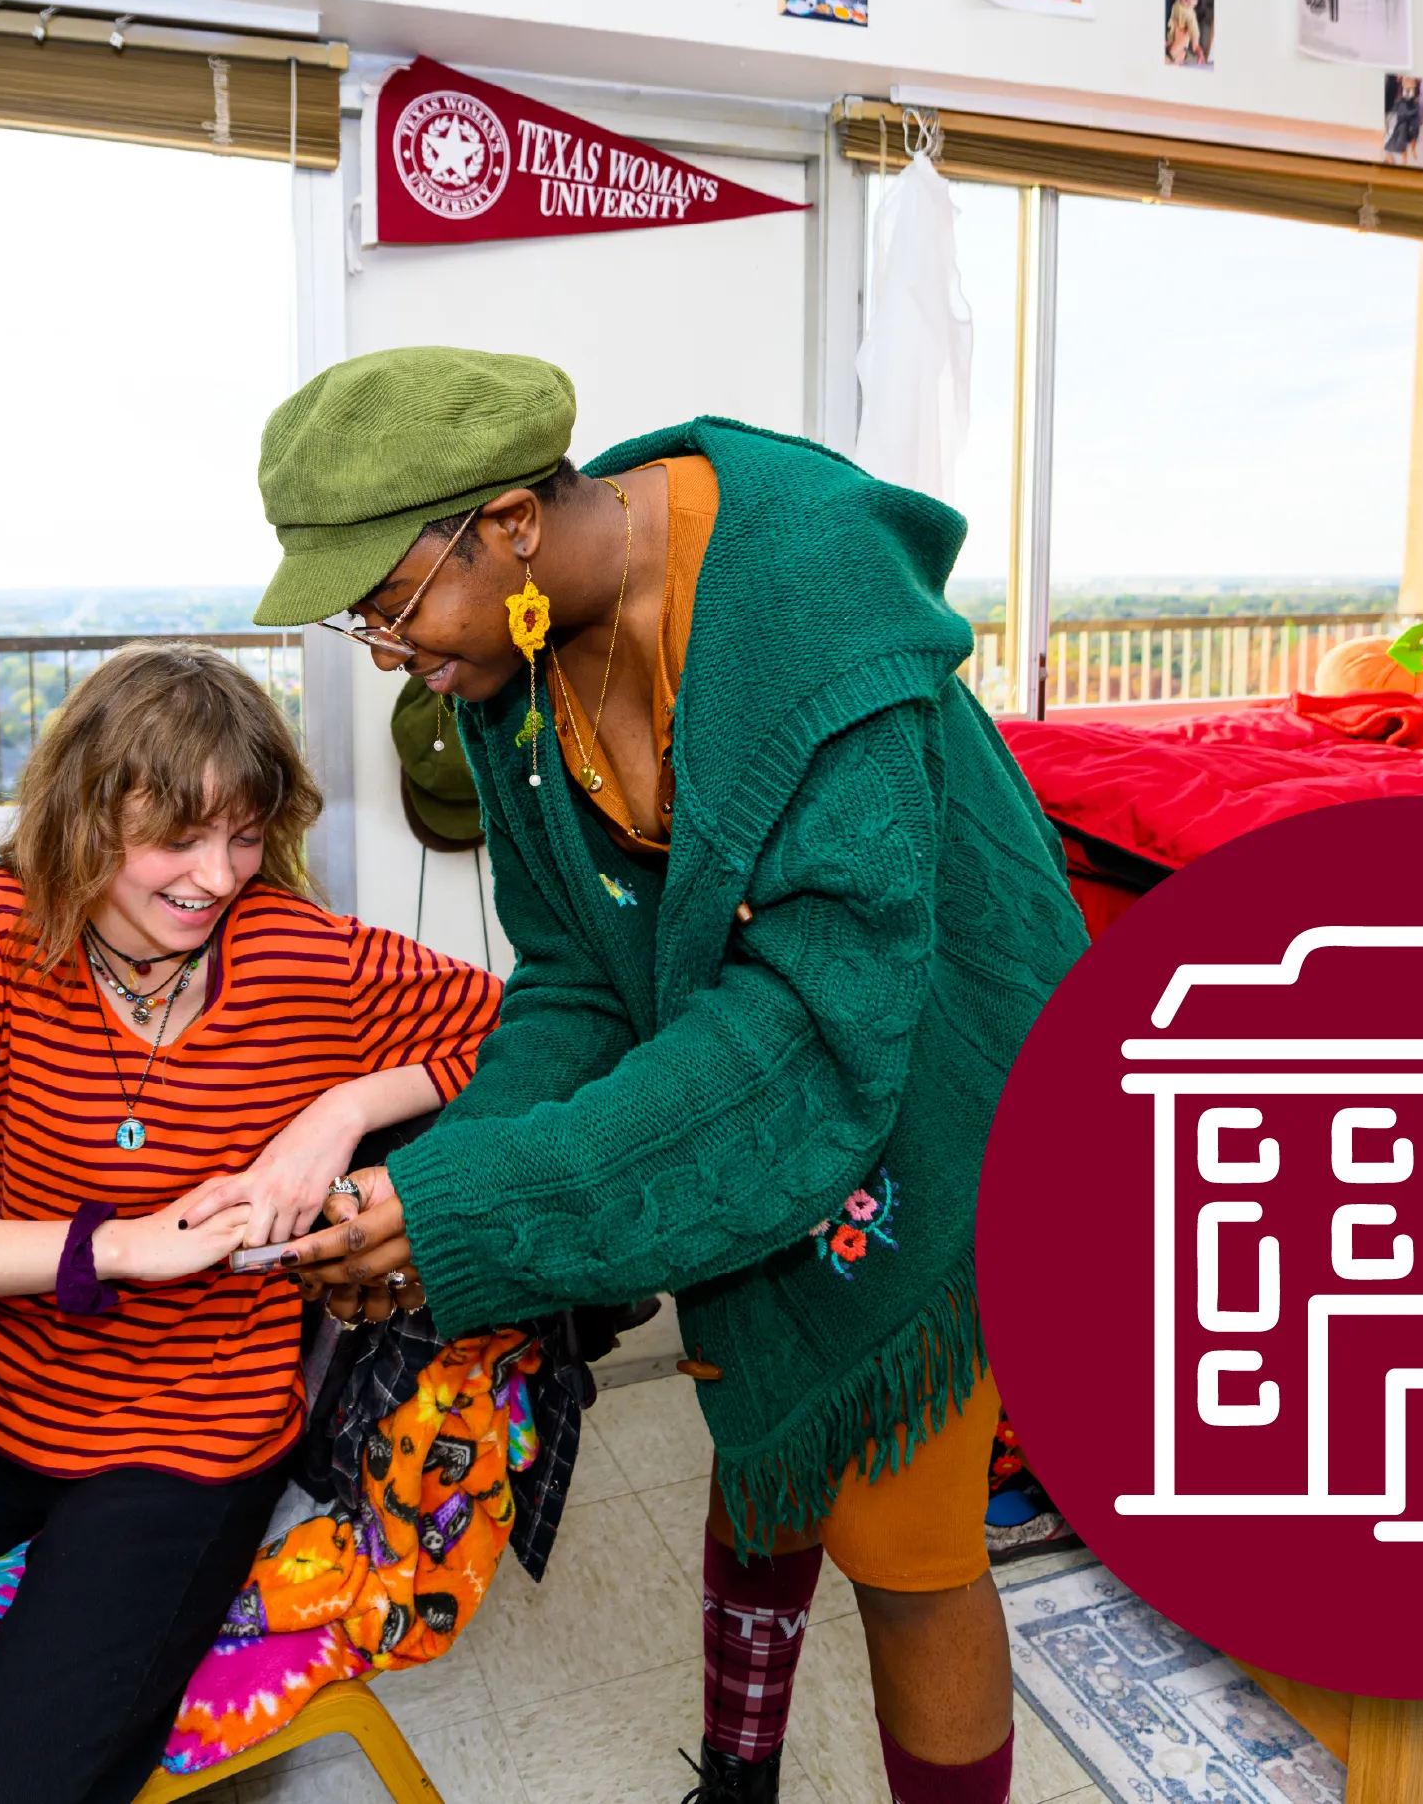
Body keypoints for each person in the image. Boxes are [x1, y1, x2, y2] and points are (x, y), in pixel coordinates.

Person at [250, 349, 1087, 1804]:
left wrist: (470, 1204)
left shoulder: (809, 606)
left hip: (940, 1075)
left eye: (387, 603)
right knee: (761, 1421)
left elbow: (821, 1028)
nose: (386, 650)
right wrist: (434, 1191)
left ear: (507, 523)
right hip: (750, 1065)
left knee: (903, 1543)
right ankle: (741, 1785)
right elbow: (577, 976)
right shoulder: (501, 675)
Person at [0, 642, 502, 1804]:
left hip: (189, 1436)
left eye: (242, 836)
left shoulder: (296, 951)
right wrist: (117, 1246)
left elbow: (520, 1027)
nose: (217, 876)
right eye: (176, 837)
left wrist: (346, 1106)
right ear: (85, 814)